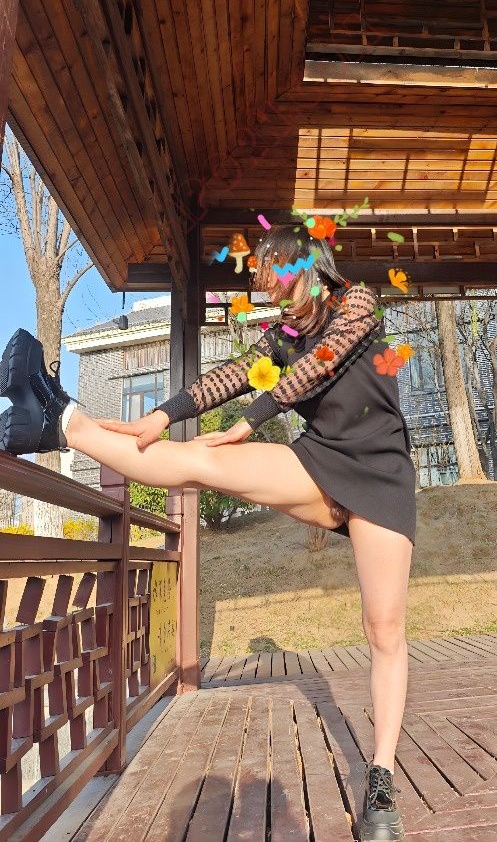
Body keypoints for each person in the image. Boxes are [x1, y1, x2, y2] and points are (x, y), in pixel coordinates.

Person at [0, 222, 416, 842]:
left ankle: (381, 776)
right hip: (321, 462)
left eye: (278, 280)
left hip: (382, 474)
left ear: (308, 267)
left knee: (383, 628)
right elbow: (229, 376)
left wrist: (249, 421)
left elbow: (321, 365)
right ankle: (61, 422)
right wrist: (163, 412)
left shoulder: (358, 302)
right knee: (199, 460)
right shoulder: (283, 337)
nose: (272, 294)